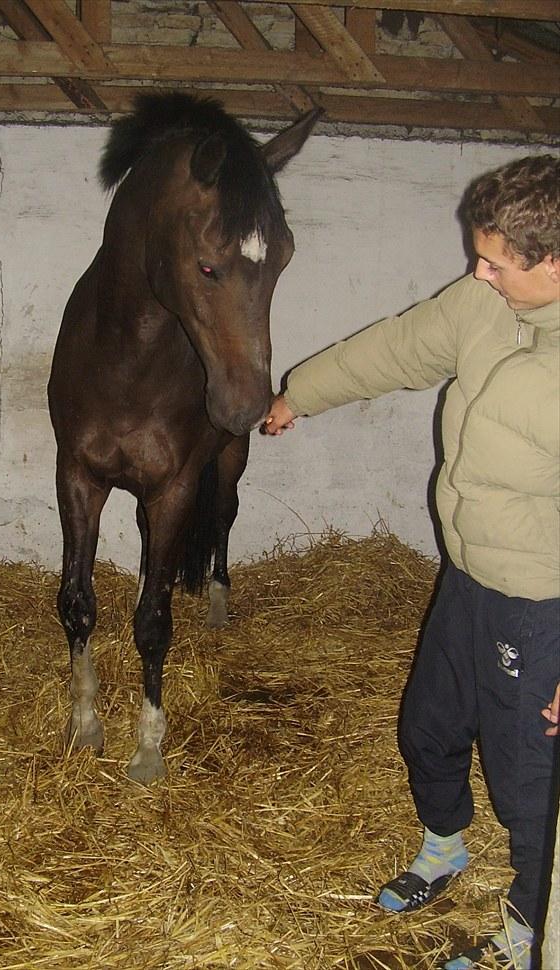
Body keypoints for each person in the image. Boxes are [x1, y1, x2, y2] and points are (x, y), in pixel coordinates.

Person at [263, 154, 559, 970]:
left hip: (544, 609)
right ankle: (444, 850)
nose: (478, 271)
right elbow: (397, 349)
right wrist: (301, 392)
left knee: (529, 780)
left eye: (497, 262)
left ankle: (534, 931)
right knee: (428, 725)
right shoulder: (482, 306)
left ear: (556, 264)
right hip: (468, 577)